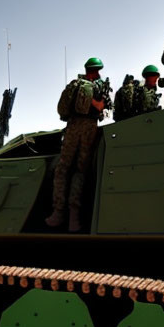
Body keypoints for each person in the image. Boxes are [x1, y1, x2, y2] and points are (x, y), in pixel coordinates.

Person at [46, 57, 112, 232]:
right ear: (97, 70)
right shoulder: (99, 87)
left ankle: (58, 212)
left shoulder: (76, 85)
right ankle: (73, 217)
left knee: (63, 168)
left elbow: (63, 109)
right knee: (80, 170)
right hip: (89, 127)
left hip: (73, 126)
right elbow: (103, 109)